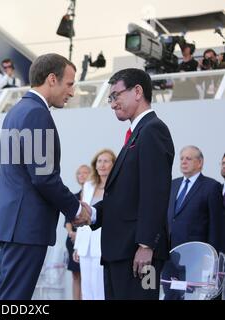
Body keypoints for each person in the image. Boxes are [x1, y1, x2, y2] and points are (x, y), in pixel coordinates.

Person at [0, 53, 89, 300]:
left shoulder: (16, 111)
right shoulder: (36, 114)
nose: (72, 92)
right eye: (69, 84)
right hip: (26, 228)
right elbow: (44, 177)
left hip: (14, 226)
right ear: (52, 79)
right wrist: (75, 209)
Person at [81, 68, 175, 300]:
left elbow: (155, 192)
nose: (112, 104)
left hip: (139, 255)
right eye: (110, 98)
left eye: (116, 96)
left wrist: (146, 245)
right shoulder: (137, 134)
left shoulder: (153, 130)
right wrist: (93, 213)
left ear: (137, 91)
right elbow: (124, 196)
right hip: (120, 252)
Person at [74, 150, 116, 300]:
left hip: (103, 242)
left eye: (106, 161)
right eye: (99, 161)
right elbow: (83, 214)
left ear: (113, 164)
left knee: (100, 287)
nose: (102, 165)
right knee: (86, 287)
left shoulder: (116, 185)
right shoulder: (89, 185)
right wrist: (77, 246)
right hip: (86, 243)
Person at [167, 146, 223, 252]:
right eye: (181, 158)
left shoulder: (211, 186)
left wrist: (213, 255)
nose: (183, 162)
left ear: (200, 162)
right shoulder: (173, 184)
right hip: (169, 251)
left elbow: (216, 227)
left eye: (188, 159)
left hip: (196, 253)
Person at [66, 164, 91, 300]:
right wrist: (71, 233)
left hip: (89, 238)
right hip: (74, 240)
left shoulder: (96, 195)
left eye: (85, 173)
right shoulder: (73, 197)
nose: (82, 175)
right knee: (76, 274)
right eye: (79, 173)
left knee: (88, 274)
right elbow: (68, 220)